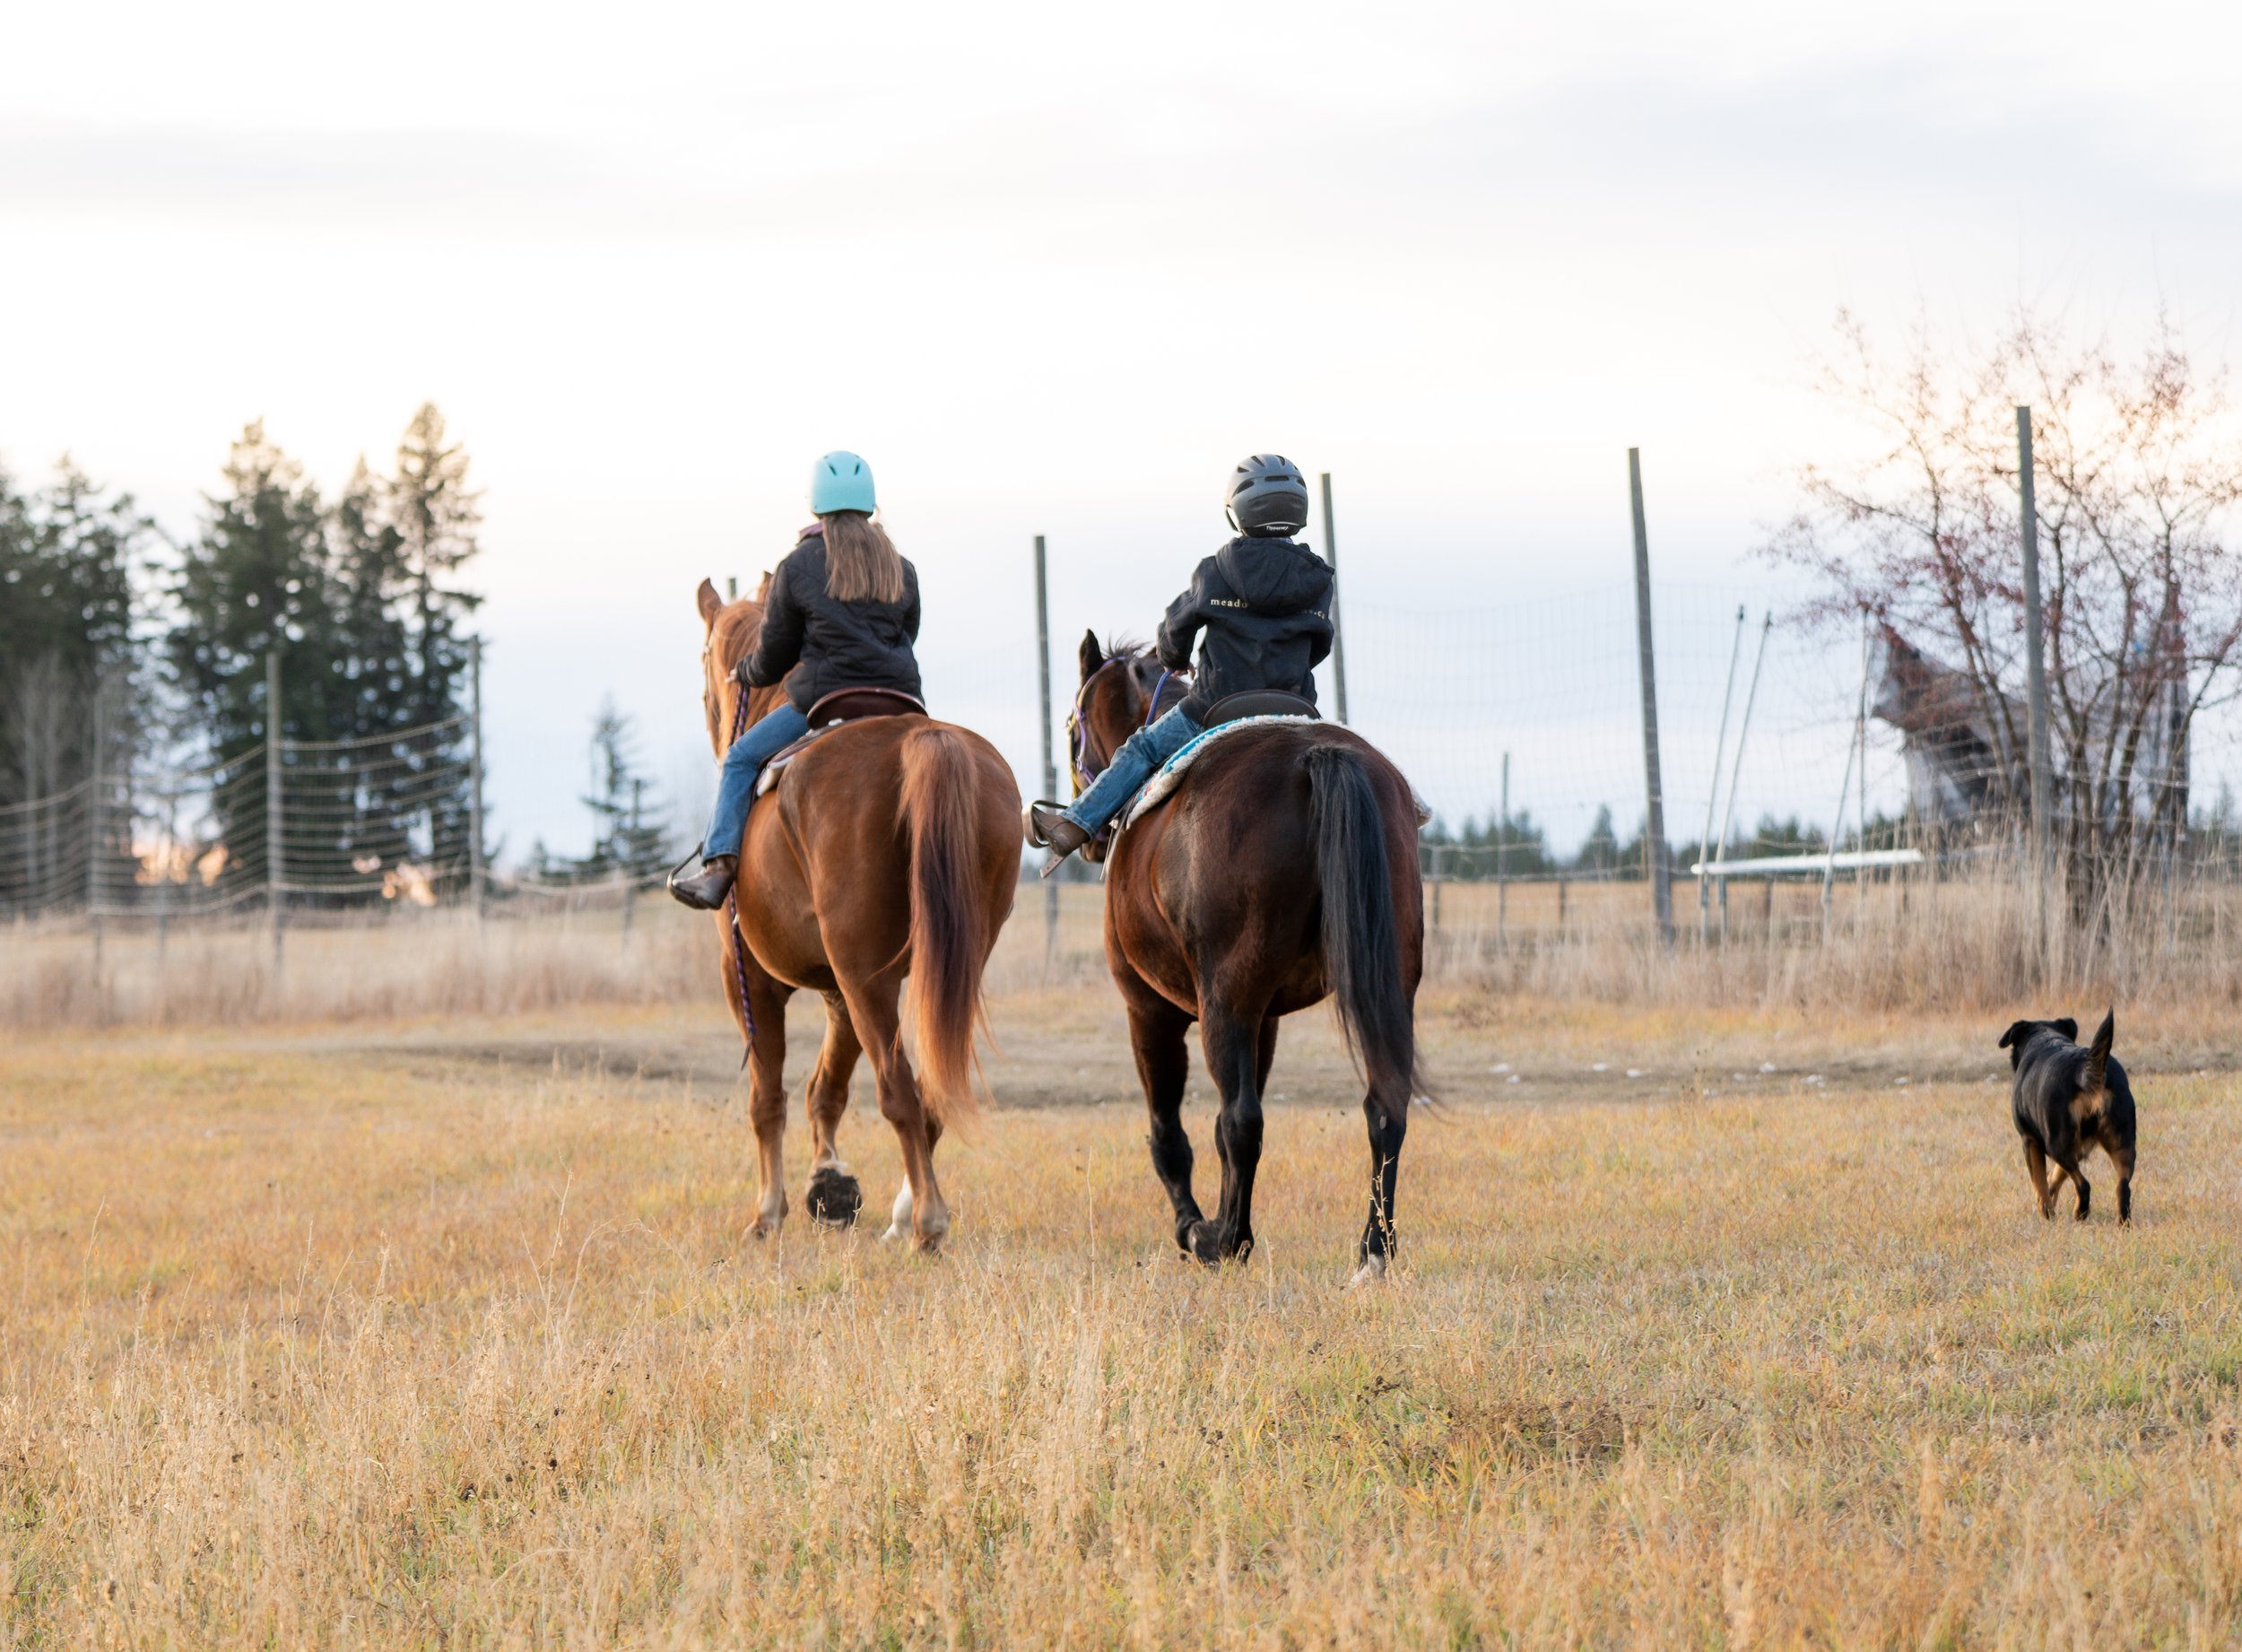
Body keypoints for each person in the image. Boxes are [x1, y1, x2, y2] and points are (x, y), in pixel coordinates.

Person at [1025, 454, 1334, 873]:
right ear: (1299, 512)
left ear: (1237, 513)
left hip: (1215, 709)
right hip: (1295, 709)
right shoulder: (1318, 579)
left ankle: (1075, 823)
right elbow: (1320, 644)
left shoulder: (1216, 571)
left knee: (1142, 747)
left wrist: (1176, 658)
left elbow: (1174, 629)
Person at [669, 451, 922, 910]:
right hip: (901, 701)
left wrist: (744, 672)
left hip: (825, 700)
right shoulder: (899, 567)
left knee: (741, 759)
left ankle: (717, 868)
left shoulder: (799, 565)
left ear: (816, 506)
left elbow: (774, 657)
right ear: (869, 505)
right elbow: (909, 633)